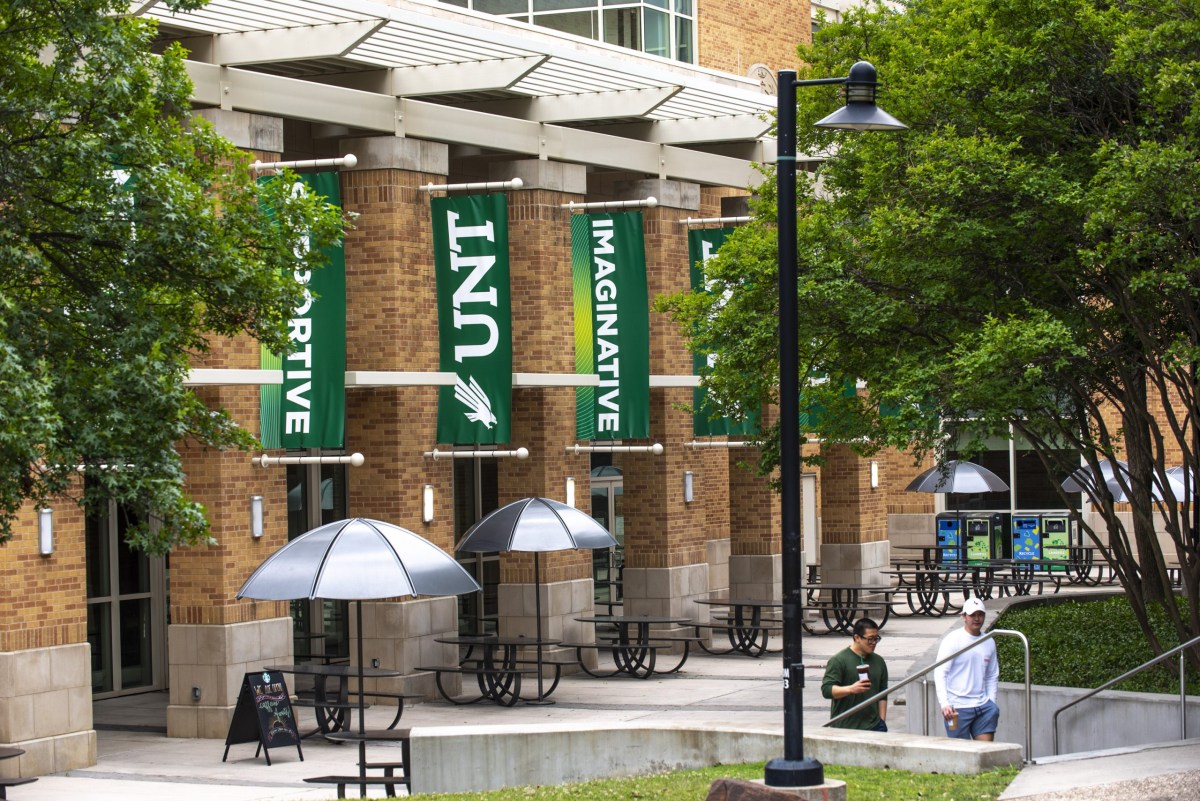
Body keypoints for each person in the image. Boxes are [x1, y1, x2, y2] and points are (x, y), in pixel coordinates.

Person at [934, 596, 999, 740]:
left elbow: (992, 675)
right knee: (961, 751)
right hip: (958, 707)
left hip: (983, 706)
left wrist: (992, 702)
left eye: (980, 614)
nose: (977, 618)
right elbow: (940, 672)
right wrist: (945, 704)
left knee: (985, 751)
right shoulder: (953, 640)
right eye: (972, 615)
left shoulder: (989, 641)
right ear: (964, 616)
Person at [821, 617, 888, 731]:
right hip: (845, 727)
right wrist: (851, 689)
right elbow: (827, 690)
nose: (874, 643)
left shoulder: (879, 661)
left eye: (876, 639)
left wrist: (882, 720)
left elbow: (882, 693)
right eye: (870, 639)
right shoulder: (839, 660)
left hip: (875, 726)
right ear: (857, 638)